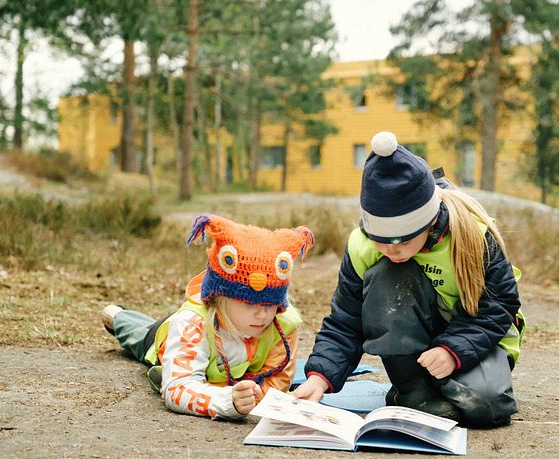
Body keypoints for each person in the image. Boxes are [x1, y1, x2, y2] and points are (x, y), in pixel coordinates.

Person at [292, 131, 525, 428]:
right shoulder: (363, 246)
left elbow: (500, 306)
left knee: (487, 405)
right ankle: (412, 390)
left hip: (477, 339)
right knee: (390, 274)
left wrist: (452, 351)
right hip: (415, 351)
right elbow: (346, 321)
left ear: (428, 222)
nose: (392, 249)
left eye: (403, 239)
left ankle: (448, 387)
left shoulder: (472, 236)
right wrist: (320, 376)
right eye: (381, 240)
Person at [102, 213, 314, 420]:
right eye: (249, 304)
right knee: (138, 334)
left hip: (222, 364)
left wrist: (255, 398)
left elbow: (277, 382)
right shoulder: (190, 323)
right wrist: (227, 400)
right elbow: (177, 387)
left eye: (271, 304)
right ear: (221, 298)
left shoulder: (283, 324)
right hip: (164, 337)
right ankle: (118, 316)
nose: (262, 314)